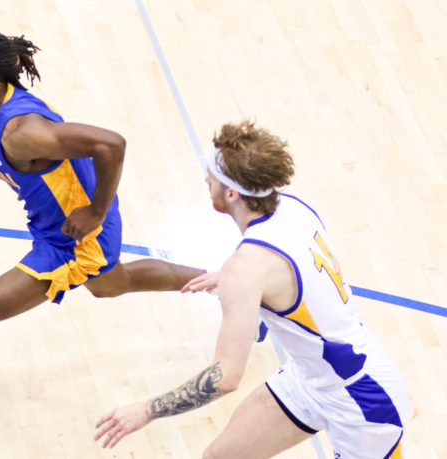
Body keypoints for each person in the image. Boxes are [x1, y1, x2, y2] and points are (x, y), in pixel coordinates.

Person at [0, 27, 205, 392]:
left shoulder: (23, 132)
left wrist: (95, 212)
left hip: (75, 240)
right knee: (112, 284)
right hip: (59, 224)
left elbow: (111, 144)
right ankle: (228, 283)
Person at [95, 121, 411, 458]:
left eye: (211, 177)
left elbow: (225, 377)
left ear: (232, 193)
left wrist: (146, 411)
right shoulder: (292, 207)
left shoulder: (246, 268)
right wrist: (232, 279)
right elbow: (291, 270)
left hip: (364, 404)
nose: (206, 181)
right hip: (311, 377)